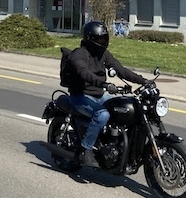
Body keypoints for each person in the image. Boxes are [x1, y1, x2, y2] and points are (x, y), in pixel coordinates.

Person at [61, 21, 148, 168]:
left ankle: (117, 145)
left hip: (100, 95)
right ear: (90, 38)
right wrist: (104, 84)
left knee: (127, 109)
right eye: (99, 39)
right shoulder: (79, 54)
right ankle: (86, 149)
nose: (103, 41)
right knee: (102, 115)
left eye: (104, 38)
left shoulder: (103, 54)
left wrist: (143, 80)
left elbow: (120, 69)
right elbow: (85, 73)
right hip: (80, 96)